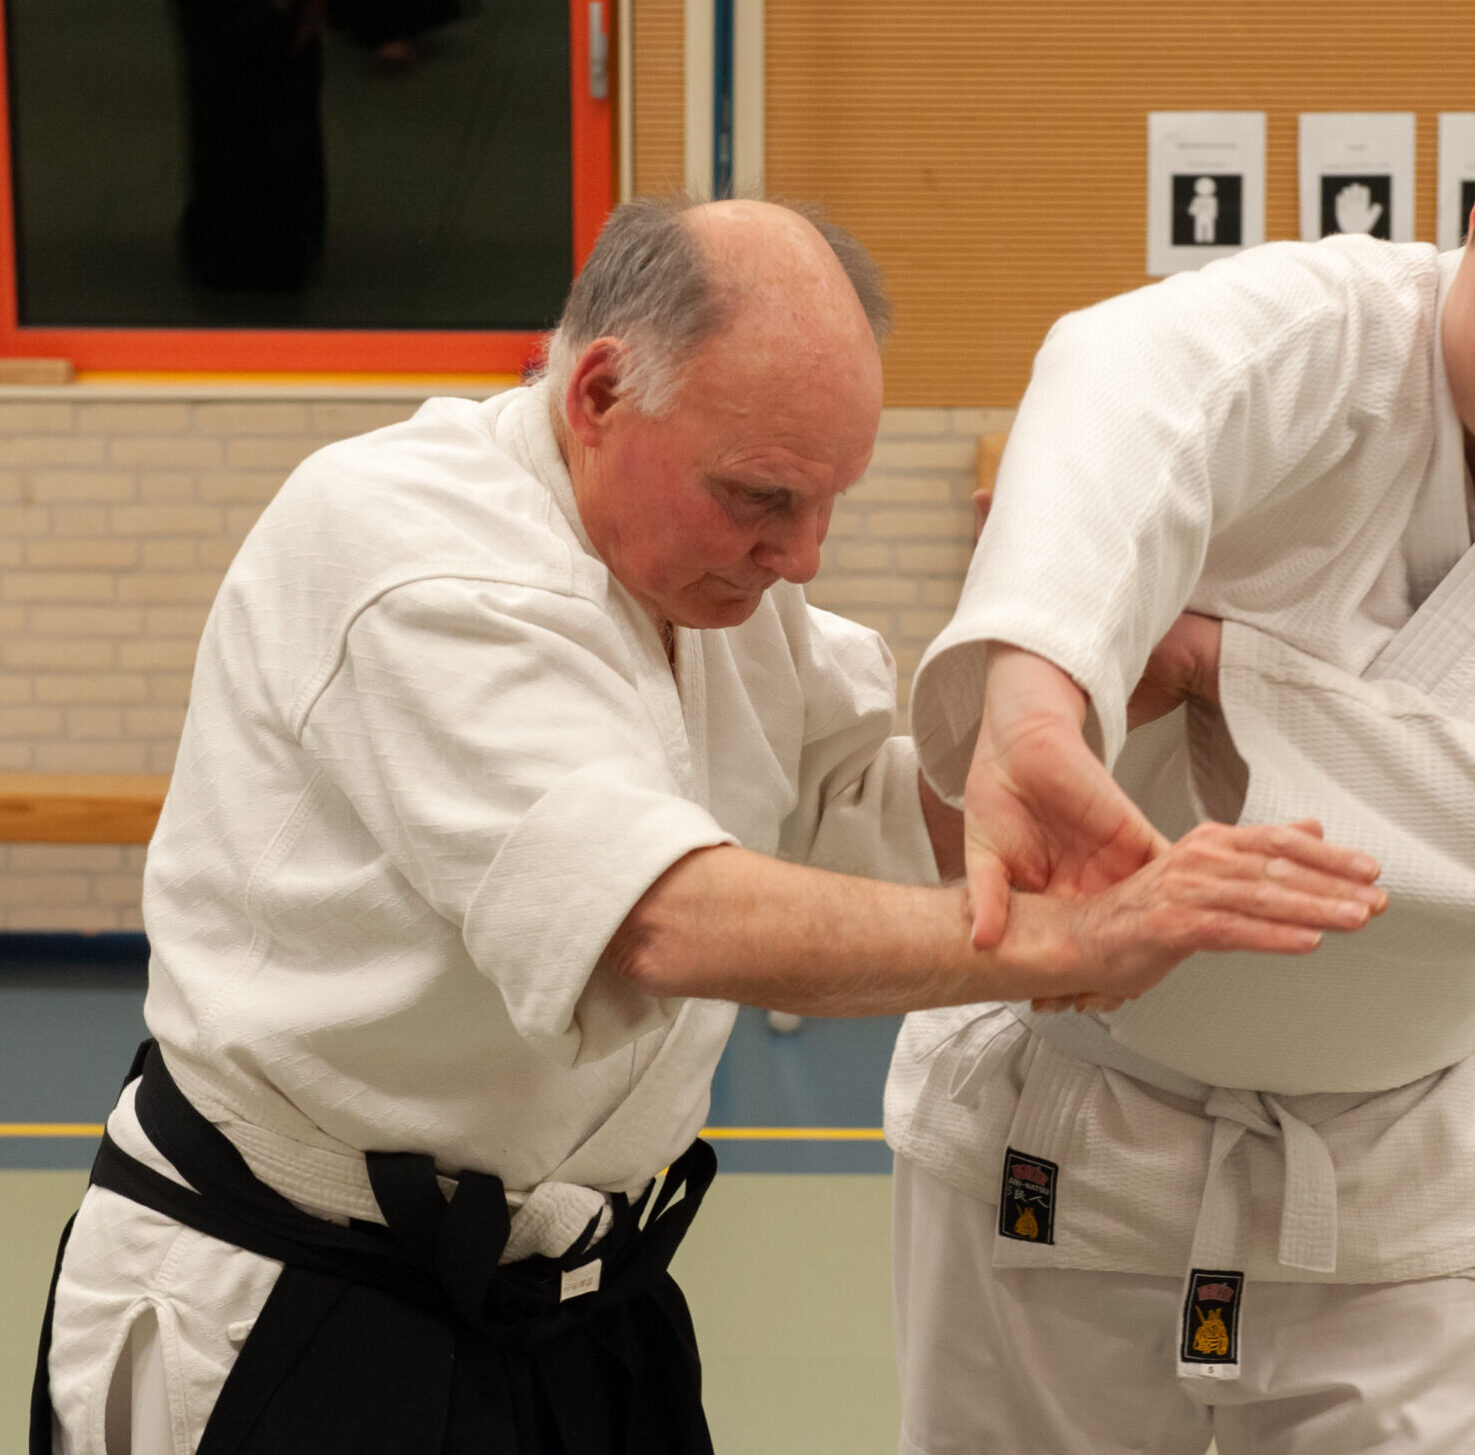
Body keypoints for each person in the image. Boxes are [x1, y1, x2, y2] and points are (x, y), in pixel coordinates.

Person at [30, 197, 1390, 1455]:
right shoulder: (414, 556)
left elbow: (848, 805)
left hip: (585, 1297)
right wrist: (1062, 943)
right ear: (599, 394)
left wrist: (1085, 704)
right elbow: (660, 917)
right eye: (762, 499)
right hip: (302, 1303)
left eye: (829, 500)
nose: (802, 555)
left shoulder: (709, 584)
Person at [890, 32, 1475, 1454]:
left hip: (1392, 1175)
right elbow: (1111, 379)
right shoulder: (1322, 333)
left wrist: (1216, 667)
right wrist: (1037, 698)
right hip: (1071, 1122)